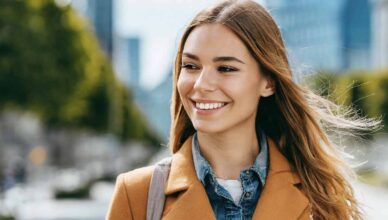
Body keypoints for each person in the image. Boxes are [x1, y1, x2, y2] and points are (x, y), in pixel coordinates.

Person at [107, 0, 380, 219]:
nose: (201, 84)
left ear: (269, 82)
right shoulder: (137, 195)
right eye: (191, 66)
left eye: (226, 68)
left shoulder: (320, 196)